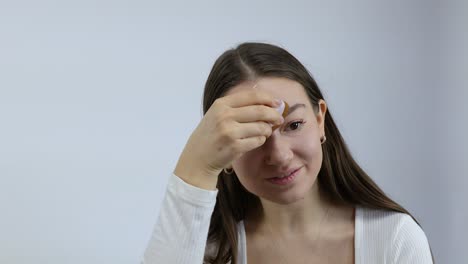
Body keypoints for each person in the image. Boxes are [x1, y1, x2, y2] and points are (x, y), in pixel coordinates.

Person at [141, 42, 434, 263]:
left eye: (294, 125)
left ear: (320, 120)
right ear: (225, 152)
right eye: (253, 136)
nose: (279, 155)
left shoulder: (394, 241)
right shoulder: (209, 254)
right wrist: (197, 166)